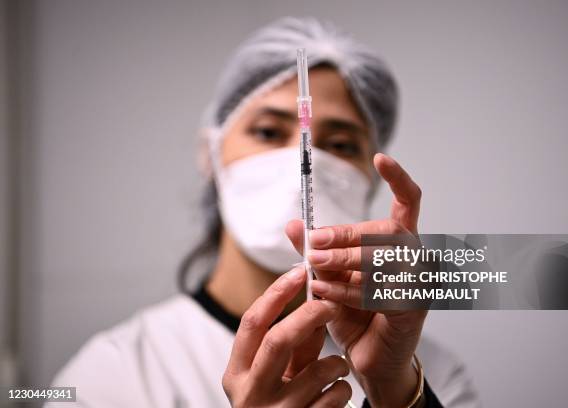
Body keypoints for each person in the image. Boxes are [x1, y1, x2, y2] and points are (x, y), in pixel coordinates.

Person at [47, 17, 480, 407]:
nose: (302, 160)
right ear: (211, 155)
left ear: (371, 175)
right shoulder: (117, 373)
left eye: (343, 144)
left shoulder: (425, 374)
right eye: (268, 131)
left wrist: (395, 394)